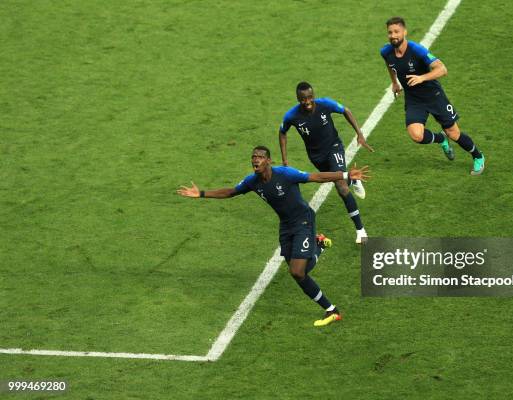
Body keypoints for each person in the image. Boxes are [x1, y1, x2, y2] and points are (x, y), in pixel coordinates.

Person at [177, 146, 370, 326]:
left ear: (268, 160)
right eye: (253, 157)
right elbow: (230, 192)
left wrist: (345, 175)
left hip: (304, 220)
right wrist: (201, 193)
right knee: (300, 270)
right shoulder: (251, 181)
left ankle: (332, 311)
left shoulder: (285, 174)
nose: (255, 160)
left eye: (260, 157)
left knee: (297, 271)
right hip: (286, 226)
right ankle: (318, 245)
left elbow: (316, 176)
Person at [381, 16, 485, 175]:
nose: (393, 35)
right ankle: (441, 139)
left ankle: (478, 156)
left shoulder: (417, 50)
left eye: (396, 31)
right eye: (390, 32)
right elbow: (390, 65)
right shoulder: (386, 51)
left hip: (433, 95)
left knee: (454, 133)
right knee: (416, 135)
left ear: (404, 32)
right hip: (414, 99)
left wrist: (422, 77)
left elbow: (442, 69)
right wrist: (394, 82)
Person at [279, 82, 374, 244]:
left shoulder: (325, 104)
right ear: (298, 99)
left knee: (341, 187)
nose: (307, 101)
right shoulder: (291, 116)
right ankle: (353, 179)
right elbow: (282, 132)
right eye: (303, 99)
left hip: (334, 148)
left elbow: (346, 111)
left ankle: (360, 230)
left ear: (313, 95)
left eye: (310, 97)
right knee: (339, 179)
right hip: (316, 157)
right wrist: (285, 159)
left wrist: (359, 133)